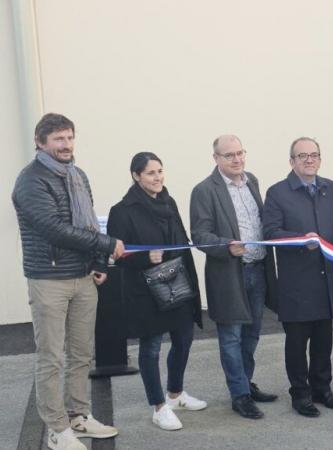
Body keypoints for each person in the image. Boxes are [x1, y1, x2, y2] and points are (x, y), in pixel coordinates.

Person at [12, 113, 124, 450]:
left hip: (82, 277)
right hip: (49, 279)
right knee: (51, 357)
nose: (66, 145)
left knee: (81, 354)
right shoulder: (30, 181)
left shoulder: (78, 175)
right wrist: (107, 245)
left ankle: (79, 415)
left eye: (70, 137)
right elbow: (54, 230)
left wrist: (98, 261)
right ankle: (57, 429)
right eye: (59, 139)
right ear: (40, 142)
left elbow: (88, 223)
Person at [107, 152, 206, 430]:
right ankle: (158, 407)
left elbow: (180, 241)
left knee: (184, 339)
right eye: (151, 173)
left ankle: (175, 394)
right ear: (136, 176)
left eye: (160, 171)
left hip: (177, 283)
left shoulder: (169, 201)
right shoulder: (122, 210)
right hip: (146, 291)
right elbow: (117, 255)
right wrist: (143, 258)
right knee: (150, 349)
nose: (158, 177)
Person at [190, 135, 278, 420]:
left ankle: (245, 383)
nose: (237, 159)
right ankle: (239, 395)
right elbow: (200, 235)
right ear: (215, 158)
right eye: (229, 155)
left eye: (240, 153)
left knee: (252, 334)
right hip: (229, 274)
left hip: (258, 269)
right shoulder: (204, 190)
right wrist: (226, 245)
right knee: (231, 337)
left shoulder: (251, 180)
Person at [263, 137, 333, 417]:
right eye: (302, 156)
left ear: (320, 159)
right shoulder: (277, 193)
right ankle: (300, 394)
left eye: (314, 155)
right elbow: (270, 233)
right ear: (292, 161)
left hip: (326, 279)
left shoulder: (331, 188)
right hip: (296, 283)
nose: (309, 160)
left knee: (324, 341)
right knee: (297, 344)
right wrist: (301, 239)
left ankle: (322, 389)